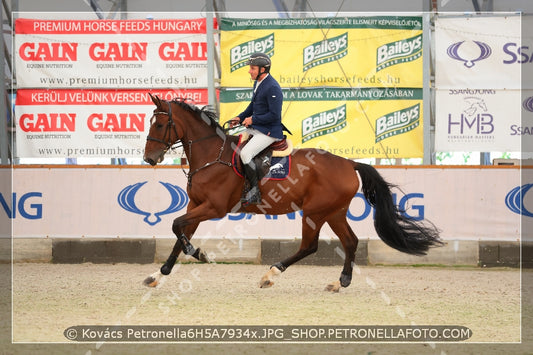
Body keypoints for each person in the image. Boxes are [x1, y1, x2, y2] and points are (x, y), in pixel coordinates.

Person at [229, 52, 284, 206]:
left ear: (263, 69)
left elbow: (274, 115)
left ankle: (255, 192)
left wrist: (253, 119)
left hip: (269, 131)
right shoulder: (258, 82)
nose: (249, 71)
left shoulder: (272, 87)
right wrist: (239, 118)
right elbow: (253, 106)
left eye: (252, 68)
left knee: (245, 153)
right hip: (258, 128)